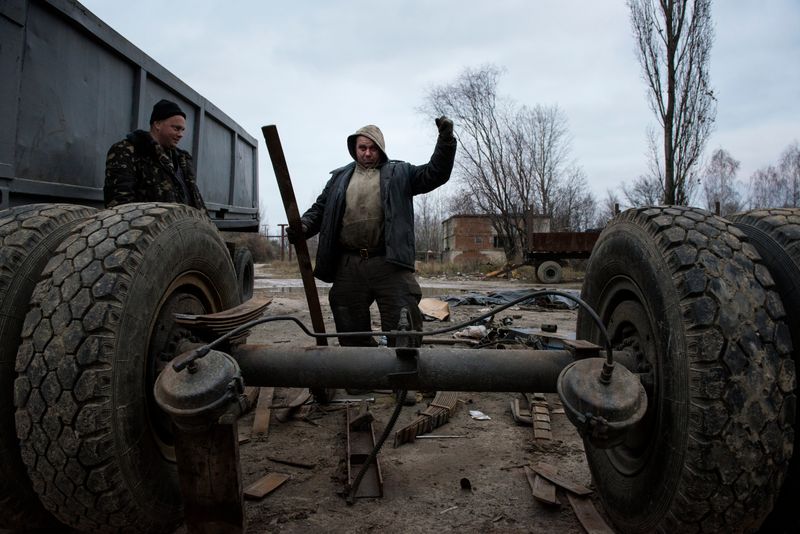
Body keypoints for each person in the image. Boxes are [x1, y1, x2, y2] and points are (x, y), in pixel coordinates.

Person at [291, 117, 456, 348]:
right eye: (362, 148)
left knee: (404, 326)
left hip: (389, 263)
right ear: (354, 149)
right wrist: (304, 226)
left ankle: (403, 379)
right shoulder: (339, 178)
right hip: (349, 264)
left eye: (373, 148)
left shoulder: (400, 172)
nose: (367, 153)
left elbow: (435, 173)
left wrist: (446, 140)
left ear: (381, 149)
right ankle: (362, 380)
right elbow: (320, 209)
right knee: (349, 327)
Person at [104, 99, 206, 209]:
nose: (181, 134)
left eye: (182, 130)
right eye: (176, 128)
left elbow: (197, 201)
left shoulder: (183, 160)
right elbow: (119, 205)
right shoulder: (128, 151)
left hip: (185, 225)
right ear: (157, 124)